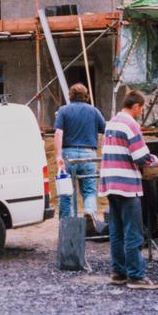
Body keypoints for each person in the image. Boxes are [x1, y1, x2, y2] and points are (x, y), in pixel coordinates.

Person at [99, 90, 158, 290]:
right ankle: (136, 276)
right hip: (127, 184)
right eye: (142, 108)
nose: (141, 112)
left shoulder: (112, 122)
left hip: (110, 183)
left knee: (117, 230)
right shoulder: (131, 124)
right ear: (136, 106)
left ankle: (119, 272)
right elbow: (142, 156)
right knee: (134, 231)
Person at [53, 83, 107, 233]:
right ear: (86, 96)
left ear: (70, 95)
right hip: (89, 155)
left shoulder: (63, 111)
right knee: (89, 191)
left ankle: (67, 226)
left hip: (68, 155)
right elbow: (105, 130)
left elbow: (58, 133)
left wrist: (58, 156)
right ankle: (89, 212)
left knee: (66, 192)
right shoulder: (94, 111)